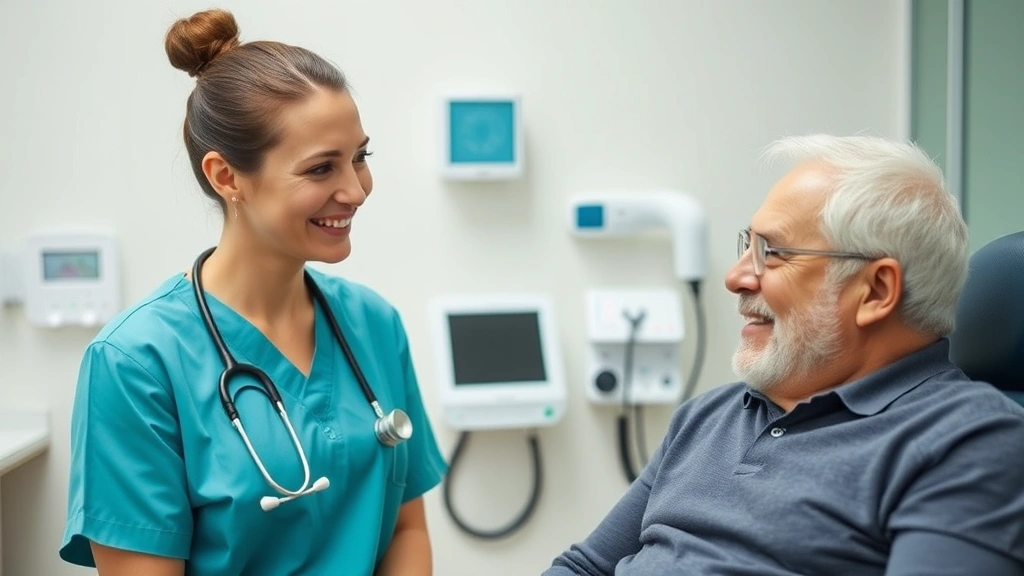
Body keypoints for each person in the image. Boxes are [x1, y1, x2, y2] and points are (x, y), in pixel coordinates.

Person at [59, 8, 447, 575]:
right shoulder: (135, 364)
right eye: (320, 169)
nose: (356, 190)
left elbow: (408, 528)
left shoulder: (374, 324)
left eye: (360, 158)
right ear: (226, 176)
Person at [542, 134, 1024, 575]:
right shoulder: (709, 416)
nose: (735, 277)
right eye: (746, 246)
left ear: (876, 290)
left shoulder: (969, 443)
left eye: (771, 253)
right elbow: (585, 567)